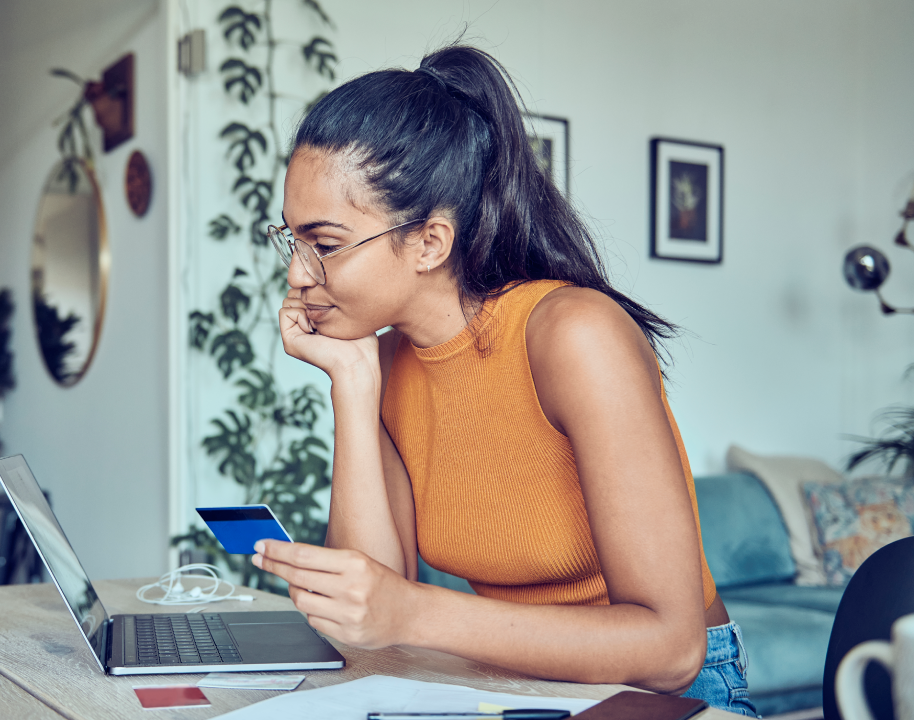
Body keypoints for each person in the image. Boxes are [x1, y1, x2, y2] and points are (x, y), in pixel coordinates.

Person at [252, 44, 757, 717]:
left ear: (430, 242)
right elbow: (372, 627)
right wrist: (350, 378)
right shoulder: (389, 361)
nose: (298, 274)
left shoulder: (574, 335)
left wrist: (412, 614)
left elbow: (671, 649)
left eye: (327, 243)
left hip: (666, 696)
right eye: (292, 240)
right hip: (517, 687)